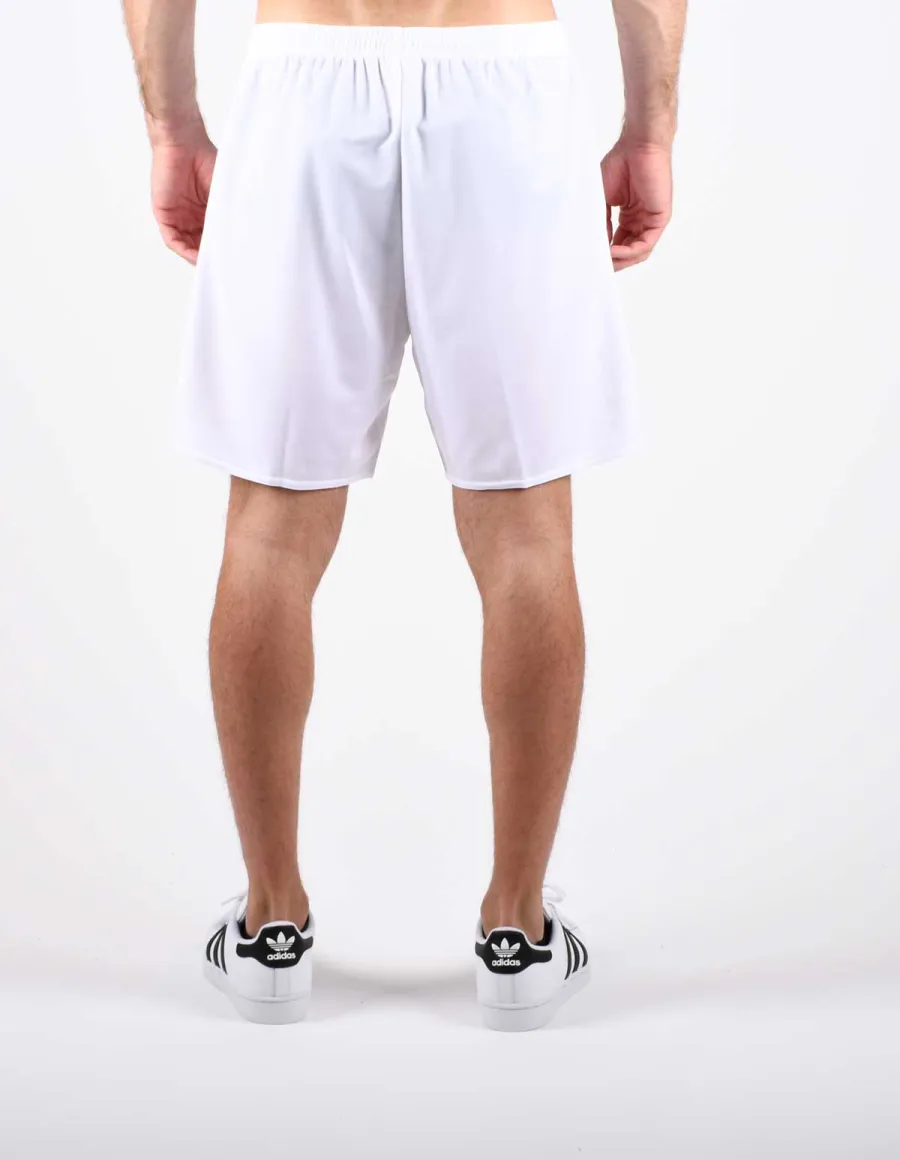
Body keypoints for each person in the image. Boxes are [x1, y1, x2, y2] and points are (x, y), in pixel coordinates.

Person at [123, 0, 685, 1030]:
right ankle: (517, 933)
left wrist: (172, 123)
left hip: (305, 79)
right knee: (525, 527)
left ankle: (270, 925)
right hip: (502, 80)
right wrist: (651, 127)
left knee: (271, 524)